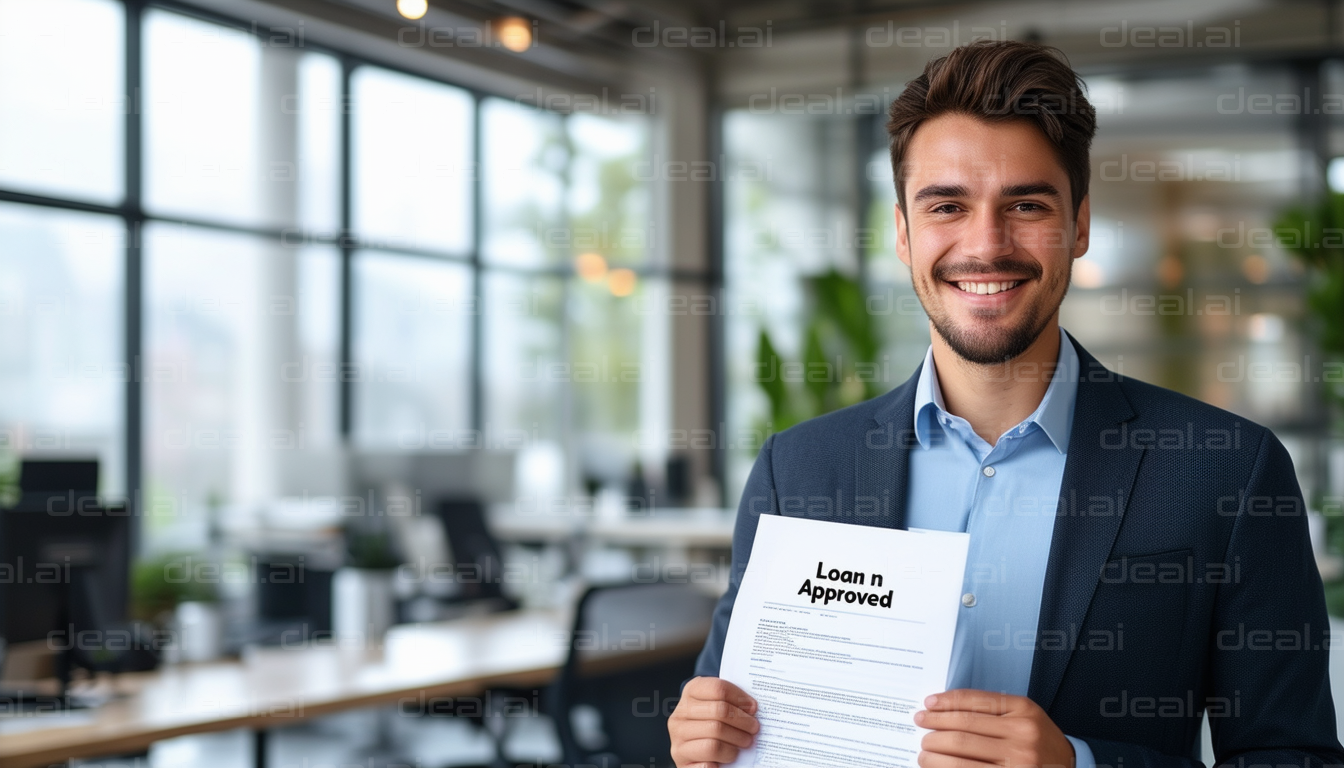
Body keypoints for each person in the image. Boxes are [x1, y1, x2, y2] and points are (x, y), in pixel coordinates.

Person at [669, 40, 1343, 768]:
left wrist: (1079, 765)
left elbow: (1293, 757)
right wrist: (703, 736)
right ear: (902, 231)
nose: (986, 245)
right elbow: (734, 715)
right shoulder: (796, 468)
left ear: (1079, 226)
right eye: (947, 205)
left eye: (1025, 204)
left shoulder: (1227, 473)